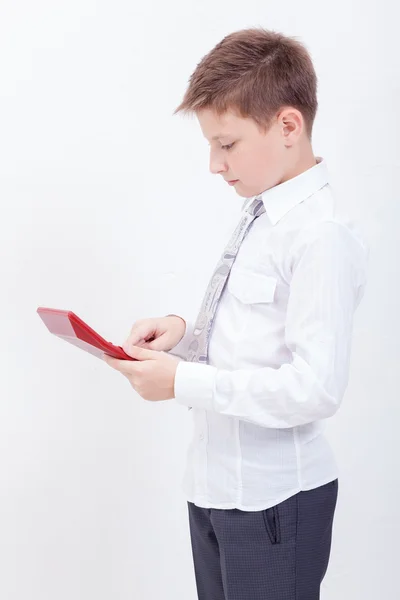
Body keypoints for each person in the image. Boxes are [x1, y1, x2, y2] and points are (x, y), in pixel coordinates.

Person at [104, 27, 368, 600]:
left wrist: (183, 382)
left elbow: (316, 389)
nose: (213, 165)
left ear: (288, 127)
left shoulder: (319, 236)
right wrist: (183, 337)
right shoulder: (263, 213)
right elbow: (252, 338)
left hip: (274, 502)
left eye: (227, 144)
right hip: (216, 489)